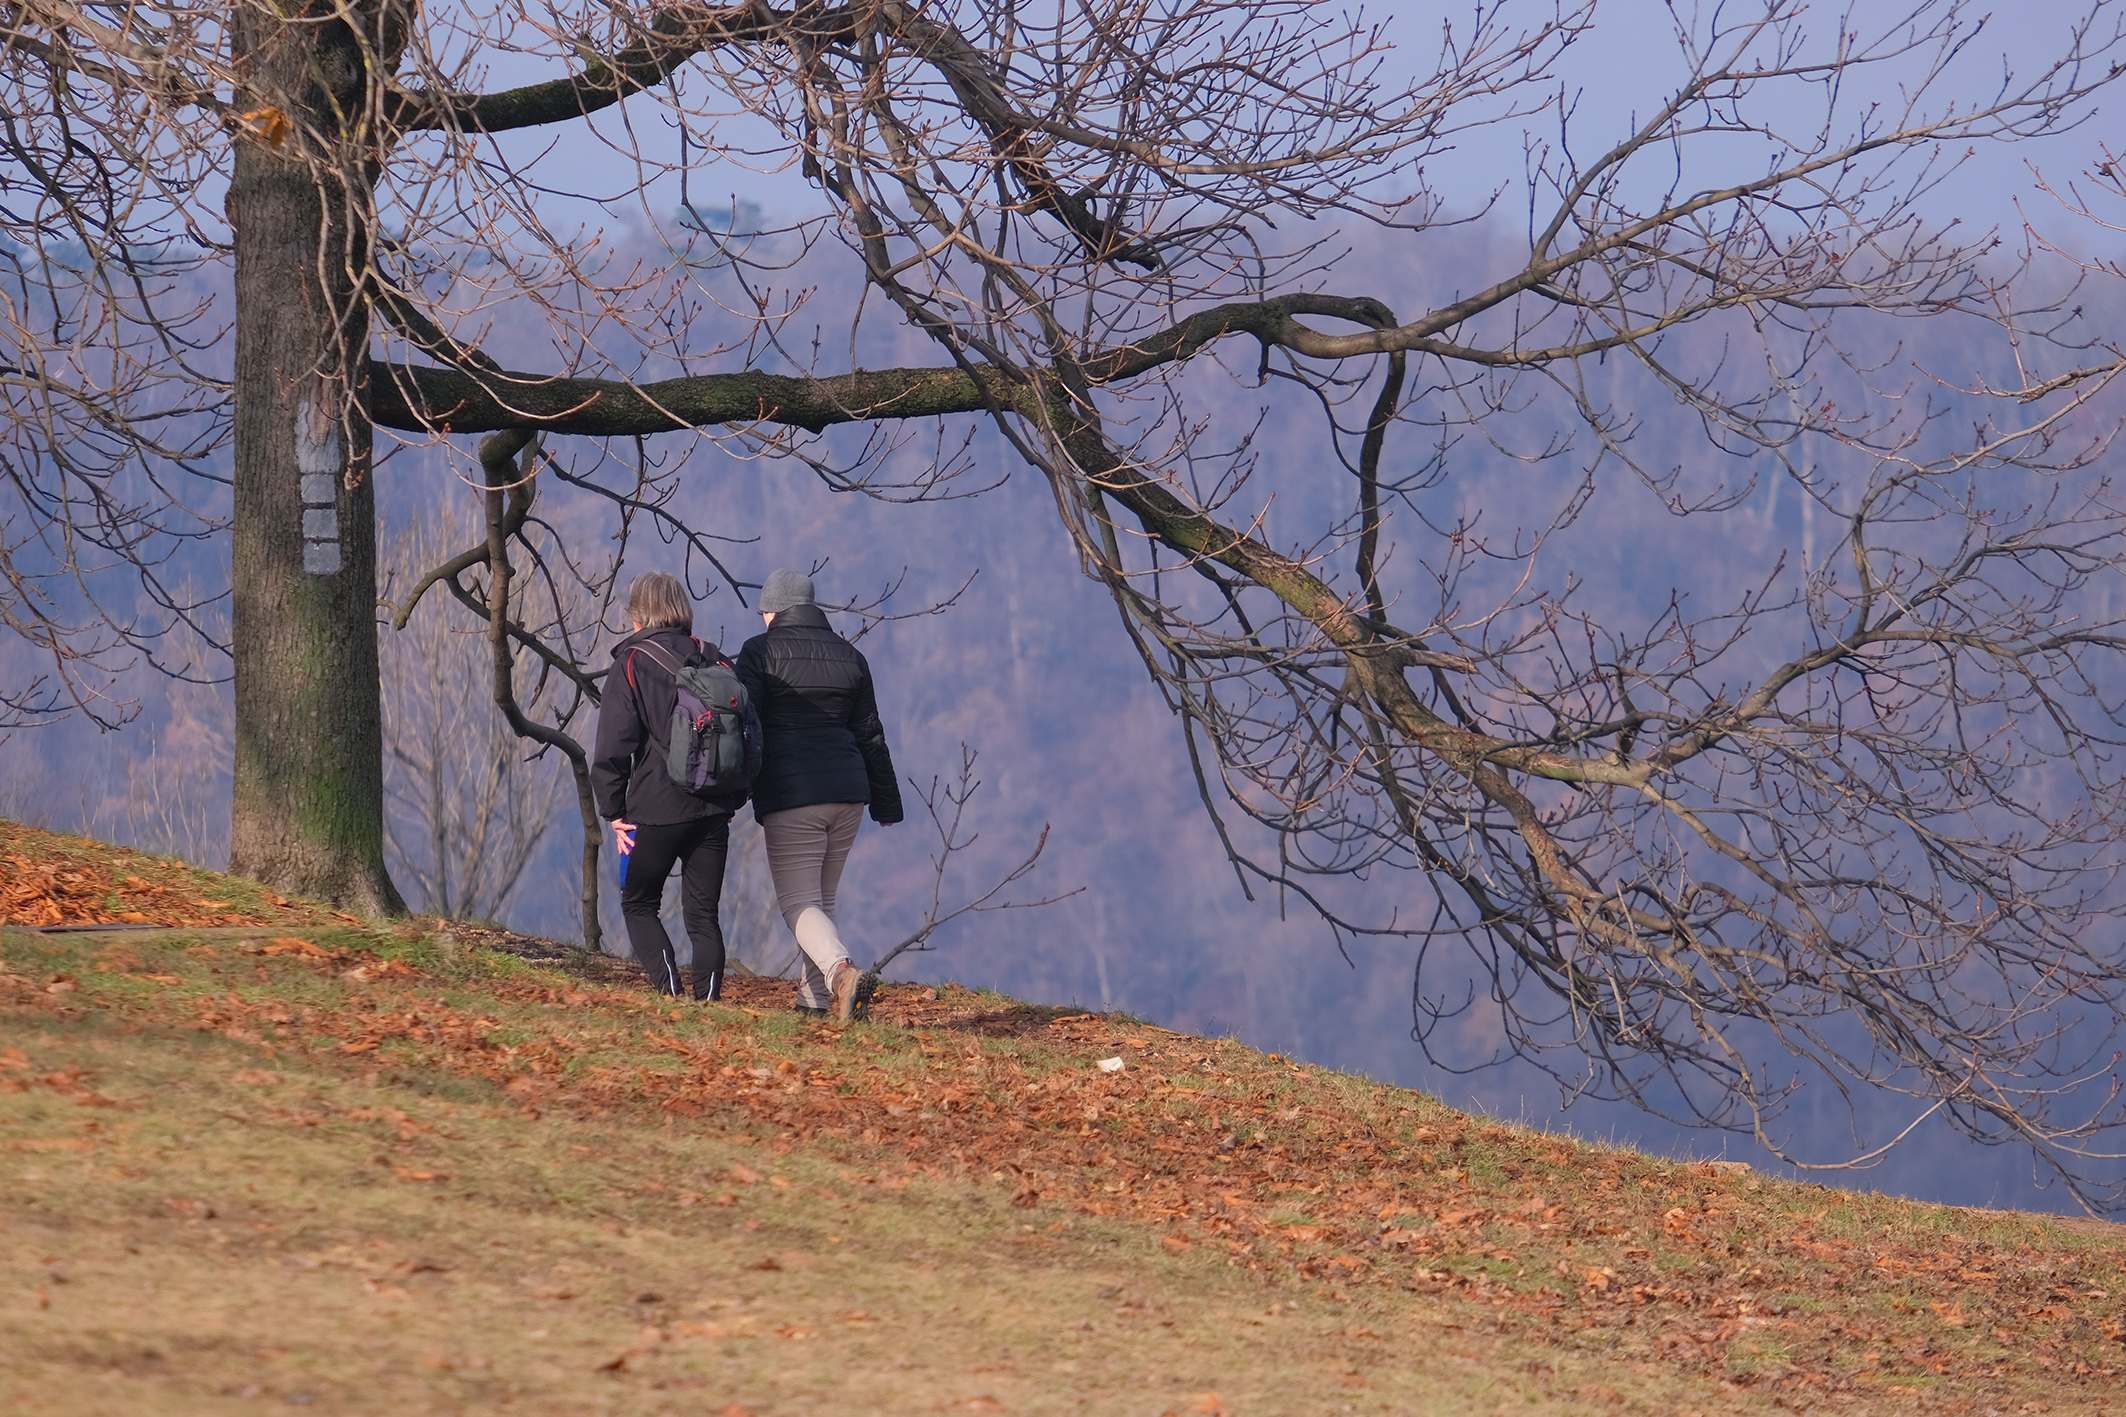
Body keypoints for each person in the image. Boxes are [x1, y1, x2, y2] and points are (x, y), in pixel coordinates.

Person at [736, 567, 903, 1022]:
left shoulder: (759, 651)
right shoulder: (851, 656)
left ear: (772, 610)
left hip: (794, 794)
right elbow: (871, 735)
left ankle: (841, 972)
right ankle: (815, 1001)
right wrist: (887, 802)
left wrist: (737, 785)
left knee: (798, 903)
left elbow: (745, 727)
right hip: (849, 794)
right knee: (822, 901)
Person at [590, 571, 744, 1001]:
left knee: (639, 903)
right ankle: (709, 1002)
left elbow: (613, 746)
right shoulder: (715, 659)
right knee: (702, 915)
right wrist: (732, 797)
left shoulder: (633, 663)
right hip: (713, 809)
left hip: (655, 808)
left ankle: (670, 994)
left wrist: (614, 811)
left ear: (638, 614)